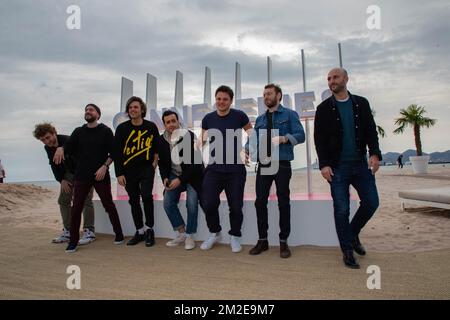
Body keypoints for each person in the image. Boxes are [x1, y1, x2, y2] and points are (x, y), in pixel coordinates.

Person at [314, 68, 381, 269]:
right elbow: (320, 140)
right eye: (328, 78)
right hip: (337, 167)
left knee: (371, 202)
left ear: (345, 79)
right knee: (341, 209)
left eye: (335, 77)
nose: (331, 81)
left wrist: (375, 154)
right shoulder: (323, 108)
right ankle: (347, 251)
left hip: (360, 164)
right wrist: (324, 165)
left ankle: (351, 234)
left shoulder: (361, 103)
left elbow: (371, 130)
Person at [54, 103, 124, 253]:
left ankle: (119, 234)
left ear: (98, 115)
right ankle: (73, 241)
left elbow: (114, 153)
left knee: (108, 205)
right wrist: (61, 148)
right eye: (86, 110)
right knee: (76, 208)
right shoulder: (78, 131)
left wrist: (105, 167)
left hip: (100, 175)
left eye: (91, 110)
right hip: (81, 176)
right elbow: (68, 146)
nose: (87, 111)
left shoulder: (105, 131)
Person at [248, 84, 305, 258]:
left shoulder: (290, 114)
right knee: (260, 202)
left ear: (278, 95)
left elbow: (301, 135)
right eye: (264, 94)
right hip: (264, 164)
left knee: (283, 202)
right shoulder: (260, 119)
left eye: (269, 93)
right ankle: (263, 240)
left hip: (282, 164)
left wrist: (284, 139)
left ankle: (283, 242)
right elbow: (253, 139)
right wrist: (246, 149)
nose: (266, 97)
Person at [198, 85, 252, 253]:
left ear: (231, 101)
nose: (221, 102)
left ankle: (235, 236)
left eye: (225, 99)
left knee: (235, 206)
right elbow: (203, 139)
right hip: (214, 168)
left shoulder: (240, 116)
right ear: (216, 100)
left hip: (235, 169)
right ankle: (214, 232)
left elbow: (252, 134)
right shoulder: (208, 119)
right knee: (208, 202)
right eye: (218, 99)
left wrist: (247, 149)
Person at [33, 122, 95, 244]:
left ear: (54, 133)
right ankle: (68, 231)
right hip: (68, 174)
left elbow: (84, 158)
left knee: (85, 200)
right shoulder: (48, 148)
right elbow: (53, 164)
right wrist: (61, 180)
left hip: (85, 171)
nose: (47, 141)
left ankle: (89, 231)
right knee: (63, 200)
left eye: (48, 137)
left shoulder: (68, 140)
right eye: (43, 140)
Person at [114, 96, 159, 247]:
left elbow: (157, 148)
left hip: (146, 169)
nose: (133, 110)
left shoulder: (151, 127)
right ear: (128, 110)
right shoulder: (122, 129)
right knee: (133, 200)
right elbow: (117, 153)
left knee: (147, 196)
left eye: (136, 107)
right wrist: (119, 173)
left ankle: (149, 230)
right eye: (130, 107)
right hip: (128, 171)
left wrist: (154, 164)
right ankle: (139, 231)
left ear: (142, 110)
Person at [158, 110, 204, 250]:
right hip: (174, 175)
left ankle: (190, 235)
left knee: (191, 202)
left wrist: (180, 180)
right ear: (164, 125)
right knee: (167, 202)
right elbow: (162, 164)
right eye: (168, 122)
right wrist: (165, 178)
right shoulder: (161, 140)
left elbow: (196, 165)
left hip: (193, 176)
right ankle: (182, 233)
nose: (171, 124)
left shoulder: (188, 135)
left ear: (178, 121)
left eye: (173, 121)